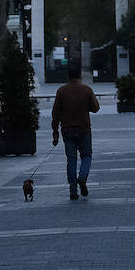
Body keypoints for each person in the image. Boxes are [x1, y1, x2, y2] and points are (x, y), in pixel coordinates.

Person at [51, 61, 100, 200]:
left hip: (67, 130)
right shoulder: (86, 89)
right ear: (80, 77)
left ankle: (73, 190)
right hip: (84, 129)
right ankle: (83, 176)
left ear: (68, 77)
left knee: (71, 160)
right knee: (86, 156)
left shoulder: (61, 91)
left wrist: (55, 133)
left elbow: (55, 114)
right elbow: (96, 108)